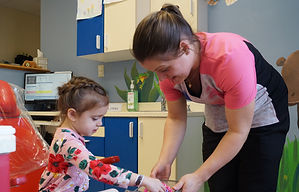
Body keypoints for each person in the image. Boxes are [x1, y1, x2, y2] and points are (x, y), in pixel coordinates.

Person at [132, 4, 290, 192]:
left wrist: (198, 176)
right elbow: (176, 117)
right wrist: (165, 161)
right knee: (220, 183)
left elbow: (237, 131)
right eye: (156, 72)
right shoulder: (169, 73)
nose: (162, 79)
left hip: (264, 109)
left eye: (164, 69)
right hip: (221, 109)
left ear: (184, 48)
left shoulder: (229, 58)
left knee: (255, 183)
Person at [38, 76, 166, 192]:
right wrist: (142, 180)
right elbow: (98, 170)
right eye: (95, 118)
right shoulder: (68, 143)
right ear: (72, 114)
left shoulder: (66, 135)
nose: (100, 123)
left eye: (101, 118)